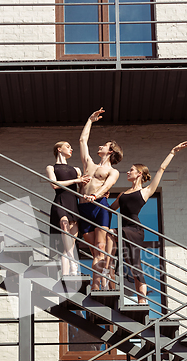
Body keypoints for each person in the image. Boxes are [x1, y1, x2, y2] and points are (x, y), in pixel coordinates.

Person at [109, 141, 187, 303]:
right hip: (123, 228)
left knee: (134, 264)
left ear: (139, 173)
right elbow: (110, 209)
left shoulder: (146, 191)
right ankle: (109, 270)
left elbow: (161, 169)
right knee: (121, 256)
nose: (128, 172)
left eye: (131, 170)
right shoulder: (123, 194)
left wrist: (172, 152)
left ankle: (142, 299)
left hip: (134, 229)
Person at [79, 107, 123, 290]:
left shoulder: (113, 171)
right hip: (83, 207)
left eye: (104, 145)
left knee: (99, 247)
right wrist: (90, 120)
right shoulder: (89, 164)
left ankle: (97, 287)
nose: (100, 146)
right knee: (96, 251)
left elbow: (108, 186)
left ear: (111, 151)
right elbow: (82, 140)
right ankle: (108, 276)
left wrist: (95, 195)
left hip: (99, 206)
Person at [47, 141, 90, 276]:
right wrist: (76, 181)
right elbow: (55, 184)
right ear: (59, 149)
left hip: (73, 204)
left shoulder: (76, 169)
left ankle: (67, 273)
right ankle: (73, 263)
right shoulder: (51, 168)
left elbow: (82, 188)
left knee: (70, 245)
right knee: (64, 226)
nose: (71, 149)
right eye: (68, 146)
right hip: (60, 201)